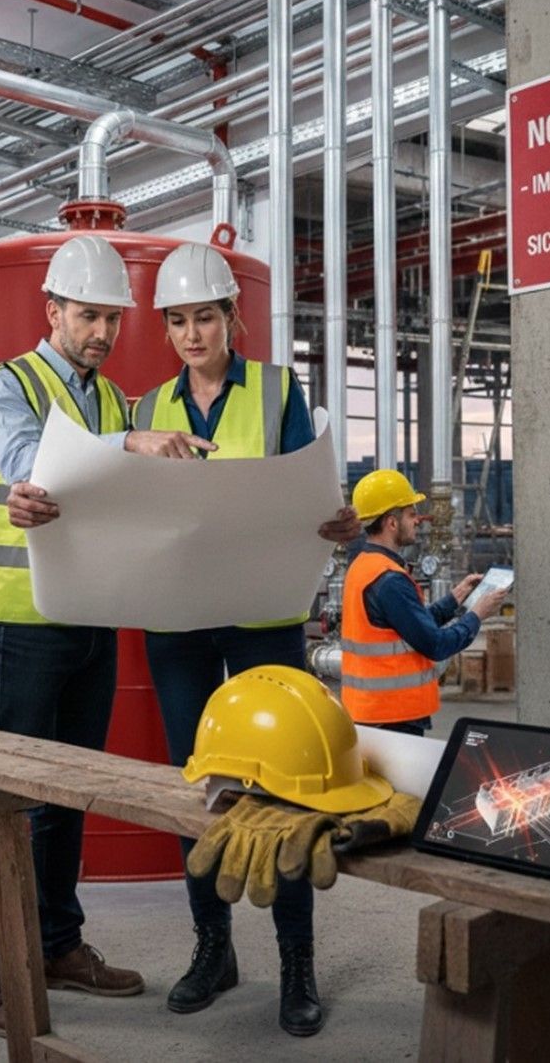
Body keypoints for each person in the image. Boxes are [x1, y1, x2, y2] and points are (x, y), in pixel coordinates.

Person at [0, 235, 213, 1039]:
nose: (103, 331)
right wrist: (129, 447)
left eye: (111, 317)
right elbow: (27, 457)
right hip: (23, 619)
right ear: (52, 311)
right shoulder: (9, 385)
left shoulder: (114, 400)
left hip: (92, 619)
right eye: (88, 315)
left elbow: (121, 493)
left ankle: (59, 945)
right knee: (6, 798)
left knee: (67, 796)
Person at [129, 241, 360, 1039]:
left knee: (283, 785)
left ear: (234, 318)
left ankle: (296, 960)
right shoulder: (145, 409)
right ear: (167, 328)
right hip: (180, 617)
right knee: (203, 786)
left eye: (207, 317)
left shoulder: (278, 390)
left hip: (263, 612)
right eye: (180, 321)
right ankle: (213, 950)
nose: (194, 334)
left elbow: (308, 489)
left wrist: (337, 519)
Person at [341, 469, 508, 734]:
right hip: (392, 719)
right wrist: (476, 615)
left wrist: (455, 598)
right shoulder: (389, 579)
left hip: (372, 714)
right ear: (391, 522)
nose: (418, 520)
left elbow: (409, 627)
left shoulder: (364, 566)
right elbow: (435, 644)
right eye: (411, 514)